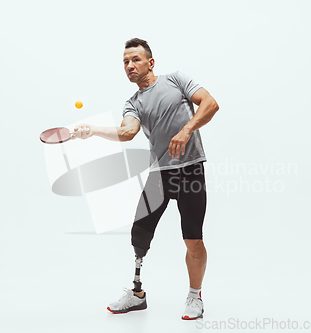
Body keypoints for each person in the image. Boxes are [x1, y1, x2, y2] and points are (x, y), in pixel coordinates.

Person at [72, 38, 219, 320]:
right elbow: (127, 132)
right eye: (126, 62)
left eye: (136, 59)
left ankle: (194, 296)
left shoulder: (176, 80)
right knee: (139, 234)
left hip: (190, 170)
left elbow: (210, 104)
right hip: (159, 174)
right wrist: (92, 130)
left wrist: (187, 130)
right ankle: (137, 294)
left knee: (193, 239)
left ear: (150, 63)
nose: (130, 65)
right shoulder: (133, 103)